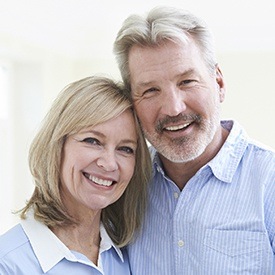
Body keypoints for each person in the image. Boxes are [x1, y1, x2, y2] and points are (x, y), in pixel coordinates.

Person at [113, 6, 275, 274]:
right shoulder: (125, 185)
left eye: (187, 81)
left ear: (219, 84)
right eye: (151, 90)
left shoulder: (268, 182)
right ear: (132, 102)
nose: (173, 108)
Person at [0, 76, 152, 274]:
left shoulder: (129, 253)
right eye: (93, 141)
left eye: (125, 149)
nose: (108, 163)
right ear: (57, 146)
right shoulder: (8, 264)